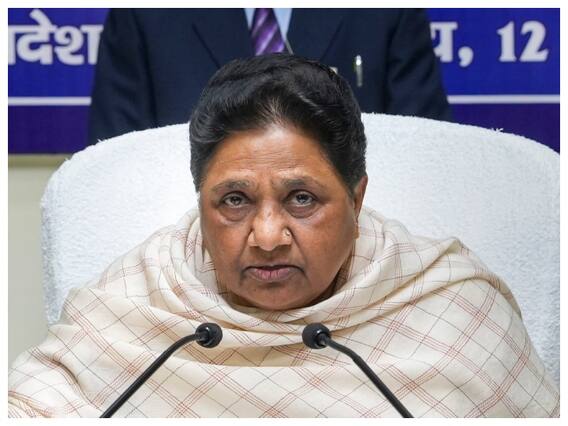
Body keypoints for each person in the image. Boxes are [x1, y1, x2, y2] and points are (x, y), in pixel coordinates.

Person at [9, 54, 557, 417]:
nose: (267, 237)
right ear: (200, 200)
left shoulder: (453, 311)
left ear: (356, 198)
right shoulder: (134, 308)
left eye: (302, 199)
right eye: (234, 200)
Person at [88, 8, 452, 145]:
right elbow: (115, 164)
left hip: (357, 258)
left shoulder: (387, 12)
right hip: (186, 259)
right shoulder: (142, 14)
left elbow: (425, 152)